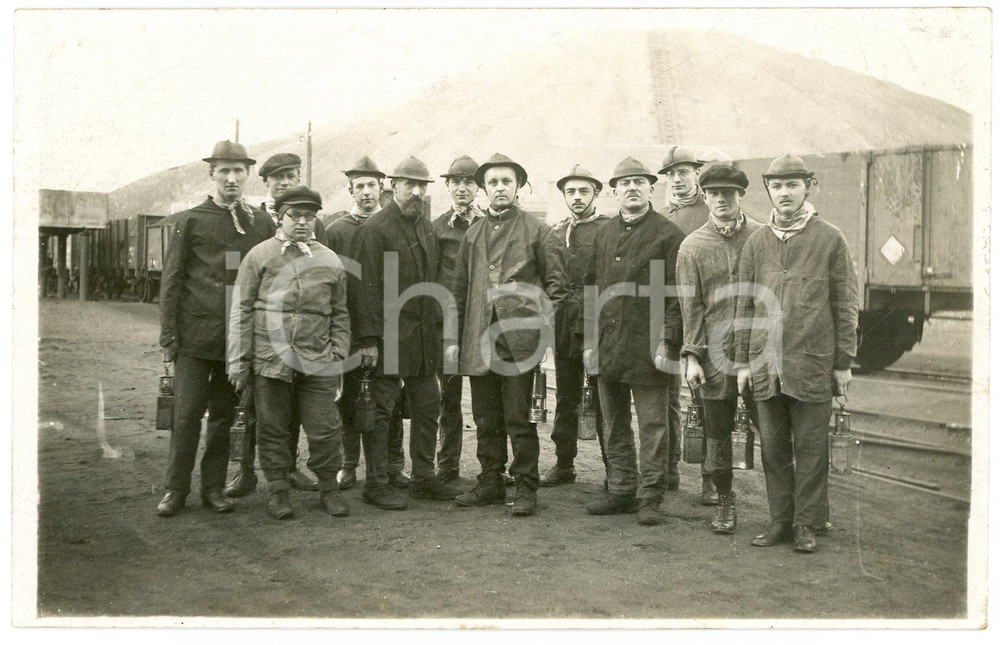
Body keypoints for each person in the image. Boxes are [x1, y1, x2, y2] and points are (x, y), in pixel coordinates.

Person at [736, 154, 859, 553]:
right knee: (773, 447)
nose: (784, 193)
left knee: (810, 448)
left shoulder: (830, 238)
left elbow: (845, 305)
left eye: (792, 184)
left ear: (809, 186)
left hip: (812, 362)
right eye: (776, 186)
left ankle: (806, 523)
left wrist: (842, 362)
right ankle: (779, 521)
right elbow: (743, 305)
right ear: (768, 190)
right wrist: (741, 361)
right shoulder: (757, 242)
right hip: (765, 364)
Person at [156, 140, 272, 517]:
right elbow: (171, 280)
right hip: (193, 338)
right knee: (187, 414)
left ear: (248, 174)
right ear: (212, 175)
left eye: (239, 171)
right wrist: (169, 335)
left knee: (225, 417)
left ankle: (213, 488)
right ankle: (175, 489)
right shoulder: (190, 220)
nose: (232, 178)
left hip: (236, 342)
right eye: (224, 171)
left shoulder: (260, 223)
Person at [448, 153, 568, 516]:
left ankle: (526, 486)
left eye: (507, 182)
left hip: (520, 340)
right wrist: (456, 339)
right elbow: (459, 291)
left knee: (519, 417)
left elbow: (558, 289)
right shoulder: (473, 234)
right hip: (480, 338)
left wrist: (542, 335)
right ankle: (490, 482)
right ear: (483, 188)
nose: (500, 188)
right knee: (485, 416)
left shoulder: (537, 230)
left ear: (519, 187)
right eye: (494, 182)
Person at [227, 186, 351, 519]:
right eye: (294, 216)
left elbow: (340, 312)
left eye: (309, 216)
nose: (302, 222)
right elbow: (241, 310)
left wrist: (338, 353)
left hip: (317, 358)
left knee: (325, 427)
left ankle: (329, 488)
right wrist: (239, 362)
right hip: (270, 359)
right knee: (272, 427)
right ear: (279, 218)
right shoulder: (259, 256)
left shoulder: (329, 259)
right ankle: (278, 491)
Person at [351, 156, 463, 509]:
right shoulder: (375, 229)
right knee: (382, 410)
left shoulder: (426, 227)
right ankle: (377, 482)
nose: (416, 191)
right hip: (387, 336)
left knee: (429, 404)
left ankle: (423, 478)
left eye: (422, 185)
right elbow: (363, 289)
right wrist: (368, 340)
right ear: (393, 186)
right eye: (409, 184)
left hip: (422, 337)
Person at [582, 157, 684, 527]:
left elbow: (676, 297)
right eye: (624, 183)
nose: (632, 188)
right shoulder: (604, 234)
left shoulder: (668, 234)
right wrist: (589, 343)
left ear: (651, 188)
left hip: (649, 347)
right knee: (613, 423)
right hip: (608, 346)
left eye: (639, 182)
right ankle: (622, 489)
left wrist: (667, 342)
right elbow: (591, 291)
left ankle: (651, 497)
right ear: (614, 190)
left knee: (654, 425)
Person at [224, 152, 320, 497]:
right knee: (250, 404)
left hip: (293, 331)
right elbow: (239, 271)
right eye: (277, 177)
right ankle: (246, 471)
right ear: (265, 182)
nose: (284, 182)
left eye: (291, 175)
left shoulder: (306, 219)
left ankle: (288, 467)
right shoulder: (252, 219)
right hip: (254, 320)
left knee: (288, 404)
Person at [676, 164, 763, 534]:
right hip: (714, 356)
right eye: (713, 193)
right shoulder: (692, 246)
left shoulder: (762, 237)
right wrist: (692, 355)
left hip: (760, 354)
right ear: (705, 196)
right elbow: (690, 307)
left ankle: (790, 508)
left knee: (772, 430)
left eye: (729, 193)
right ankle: (725, 503)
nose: (721, 199)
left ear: (740, 195)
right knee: (717, 432)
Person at [324, 156, 409, 492]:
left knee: (390, 398)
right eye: (359, 186)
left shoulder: (394, 227)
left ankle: (394, 465)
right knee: (347, 397)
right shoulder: (336, 230)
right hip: (348, 327)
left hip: (388, 327)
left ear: (381, 188)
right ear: (350, 191)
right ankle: (348, 465)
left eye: (371, 185)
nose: (366, 192)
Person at [543, 165, 611, 487]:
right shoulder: (556, 232)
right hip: (564, 324)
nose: (577, 197)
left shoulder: (609, 230)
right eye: (571, 192)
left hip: (599, 325)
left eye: (584, 191)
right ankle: (564, 463)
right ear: (564, 196)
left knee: (606, 397)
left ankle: (616, 471)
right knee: (566, 396)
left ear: (596, 193)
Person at [657, 145, 714, 503]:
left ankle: (711, 478)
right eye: (672, 174)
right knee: (664, 399)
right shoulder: (661, 215)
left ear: (697, 174)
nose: (678, 179)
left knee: (708, 398)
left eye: (684, 172)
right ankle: (667, 471)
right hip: (665, 315)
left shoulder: (711, 212)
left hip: (702, 316)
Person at [431, 155, 484, 482]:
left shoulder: (488, 225)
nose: (462, 188)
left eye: (468, 182)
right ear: (448, 186)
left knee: (487, 401)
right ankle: (447, 464)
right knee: (448, 399)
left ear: (478, 187)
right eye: (456, 182)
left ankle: (491, 468)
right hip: (447, 325)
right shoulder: (437, 227)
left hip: (480, 323)